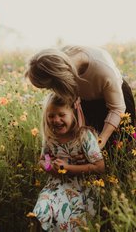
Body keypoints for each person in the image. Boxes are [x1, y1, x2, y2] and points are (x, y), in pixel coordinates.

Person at [25, 45, 136, 150]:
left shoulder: (103, 72)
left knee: (121, 144)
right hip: (87, 99)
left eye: (50, 87)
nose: (52, 90)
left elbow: (116, 109)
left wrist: (101, 140)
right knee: (89, 145)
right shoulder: (59, 61)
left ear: (59, 80)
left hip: (117, 101)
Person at [33, 92, 105, 231]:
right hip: (56, 185)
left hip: (81, 187)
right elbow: (44, 159)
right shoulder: (50, 138)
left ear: (73, 113)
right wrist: (50, 168)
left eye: (62, 115)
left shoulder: (84, 136)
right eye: (51, 116)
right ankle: (38, 223)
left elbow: (100, 167)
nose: (56, 120)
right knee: (43, 207)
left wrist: (67, 168)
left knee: (69, 221)